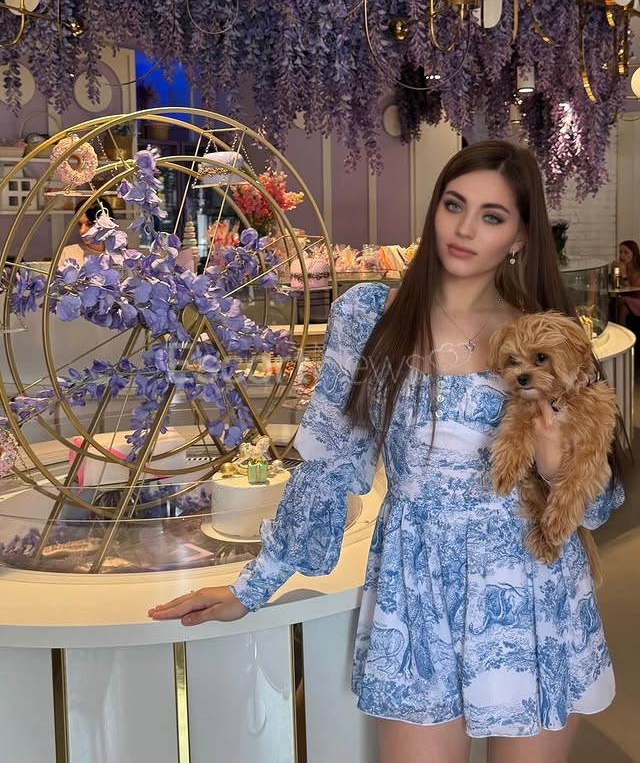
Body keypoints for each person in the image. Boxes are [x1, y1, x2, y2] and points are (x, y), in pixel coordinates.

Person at [149, 141, 625, 763]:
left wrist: (556, 464)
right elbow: (330, 460)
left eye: (491, 216)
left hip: (531, 586)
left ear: (520, 237)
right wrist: (254, 585)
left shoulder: (541, 337)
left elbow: (597, 504)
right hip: (415, 583)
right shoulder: (370, 315)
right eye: (453, 205)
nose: (464, 228)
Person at [59, 197, 113, 265]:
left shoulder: (120, 255)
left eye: (89, 224)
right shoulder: (67, 254)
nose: (82, 231)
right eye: (80, 224)